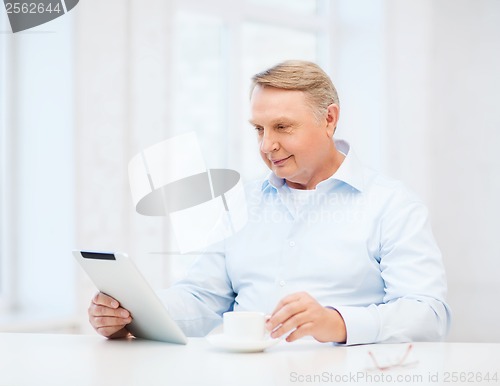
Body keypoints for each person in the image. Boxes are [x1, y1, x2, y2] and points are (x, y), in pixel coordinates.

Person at [88, 60, 451, 345]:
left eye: (282, 127)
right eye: (259, 129)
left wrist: (337, 322)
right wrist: (132, 315)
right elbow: (202, 298)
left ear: (329, 119)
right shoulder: (240, 203)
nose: (266, 145)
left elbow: (429, 313)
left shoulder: (392, 205)